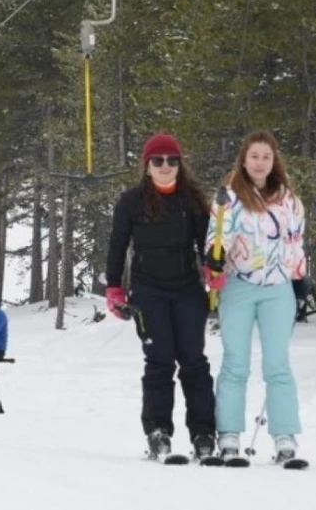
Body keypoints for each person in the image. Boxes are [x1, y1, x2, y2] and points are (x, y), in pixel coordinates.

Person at [104, 132, 215, 461]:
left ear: (180, 164)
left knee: (194, 361)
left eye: (172, 160)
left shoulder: (192, 200)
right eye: (158, 161)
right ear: (147, 166)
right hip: (148, 290)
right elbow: (117, 246)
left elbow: (207, 244)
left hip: (187, 289)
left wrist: (212, 268)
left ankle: (204, 433)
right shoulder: (131, 202)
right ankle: (158, 432)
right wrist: (114, 287)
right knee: (159, 360)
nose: (165, 166)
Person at [205, 130, 307, 466]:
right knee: (235, 363)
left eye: (266, 156)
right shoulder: (229, 197)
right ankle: (229, 435)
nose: (260, 163)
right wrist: (214, 257)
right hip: (239, 286)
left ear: (274, 160)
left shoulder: (289, 199)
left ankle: (284, 437)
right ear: (244, 160)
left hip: (277, 288)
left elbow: (295, 241)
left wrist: (299, 278)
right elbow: (216, 236)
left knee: (277, 365)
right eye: (254, 157)